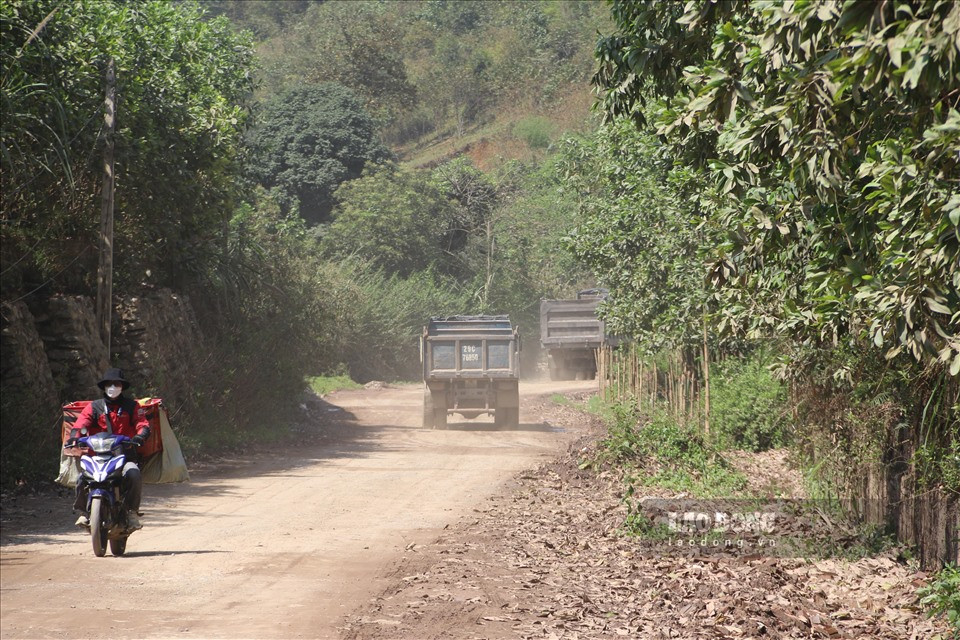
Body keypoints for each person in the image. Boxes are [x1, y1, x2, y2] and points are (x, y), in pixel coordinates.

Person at [68, 367, 151, 531]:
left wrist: (140, 436)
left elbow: (142, 424)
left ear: (122, 387)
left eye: (116, 384)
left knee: (133, 474)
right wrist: (74, 438)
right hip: (97, 456)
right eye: (109, 384)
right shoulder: (94, 407)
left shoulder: (131, 406)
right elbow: (80, 424)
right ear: (104, 386)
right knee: (81, 479)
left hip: (124, 456)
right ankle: (83, 513)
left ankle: (132, 512)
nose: (113, 387)